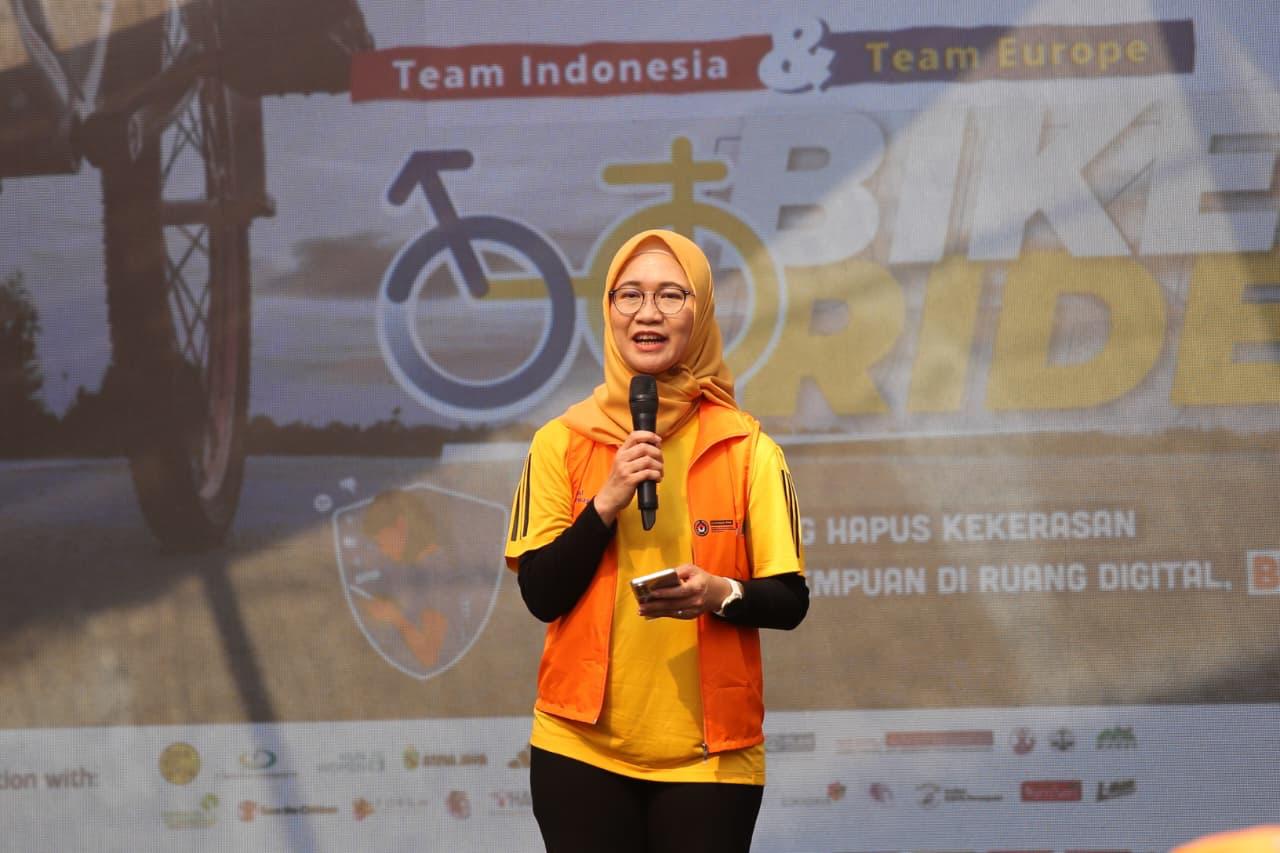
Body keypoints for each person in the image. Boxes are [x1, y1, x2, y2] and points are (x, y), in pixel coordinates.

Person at [504, 229, 809, 853]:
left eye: (672, 295)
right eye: (630, 295)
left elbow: (789, 600)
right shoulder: (559, 442)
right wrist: (606, 501)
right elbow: (540, 594)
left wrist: (719, 593)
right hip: (578, 747)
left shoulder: (748, 448)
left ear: (701, 312)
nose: (648, 313)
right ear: (609, 310)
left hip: (711, 758)